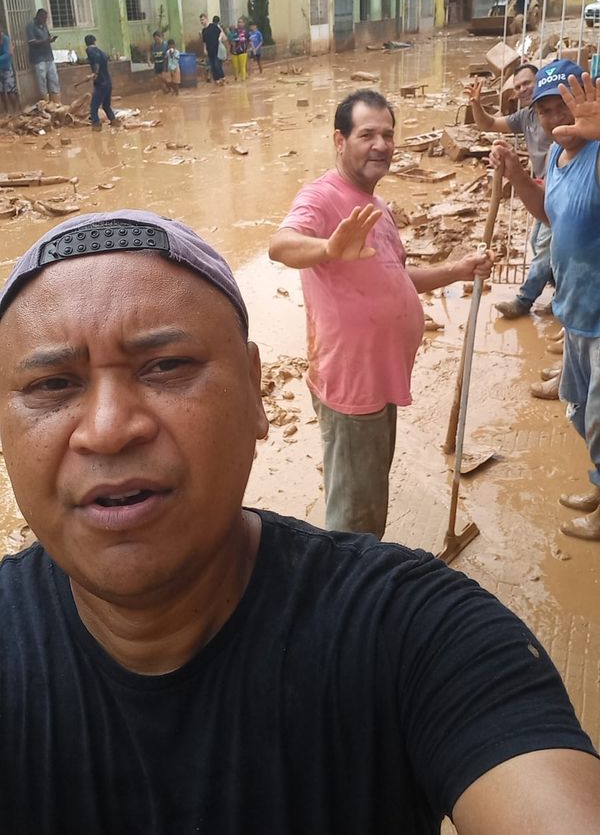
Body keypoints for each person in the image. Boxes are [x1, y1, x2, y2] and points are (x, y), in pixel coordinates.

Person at [0, 209, 598, 833]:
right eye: (52, 384)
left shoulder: (414, 634)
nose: (108, 429)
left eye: (166, 367)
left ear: (256, 391)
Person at [269, 89, 493, 538]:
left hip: (379, 379)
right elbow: (281, 245)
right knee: (354, 519)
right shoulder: (324, 195)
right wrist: (329, 247)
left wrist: (456, 269)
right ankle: (349, 597)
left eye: (388, 135)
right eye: (367, 133)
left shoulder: (377, 206)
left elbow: (396, 277)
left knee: (367, 493)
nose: (381, 145)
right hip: (351, 384)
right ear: (339, 140)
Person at [490, 60, 600, 541]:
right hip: (575, 311)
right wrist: (516, 177)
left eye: (564, 108)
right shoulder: (557, 160)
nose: (556, 120)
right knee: (577, 409)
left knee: (599, 420)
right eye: (546, 111)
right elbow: (551, 216)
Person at [467, 62, 554, 321]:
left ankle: (524, 300)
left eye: (528, 82)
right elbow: (489, 124)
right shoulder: (526, 116)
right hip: (539, 190)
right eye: (517, 87)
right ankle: (562, 294)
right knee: (539, 243)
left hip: (559, 188)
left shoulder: (555, 112)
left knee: (544, 246)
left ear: (540, 81)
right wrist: (476, 104)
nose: (523, 89)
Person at [26, 8, 61, 102]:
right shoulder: (31, 26)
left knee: (54, 78)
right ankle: (45, 102)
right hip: (38, 57)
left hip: (48, 55)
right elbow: (31, 42)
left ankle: (56, 102)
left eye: (46, 18)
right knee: (42, 80)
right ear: (38, 16)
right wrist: (46, 41)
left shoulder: (44, 25)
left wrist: (51, 39)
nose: (45, 20)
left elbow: (48, 36)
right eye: (43, 18)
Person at [84, 35, 117, 130]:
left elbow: (96, 61)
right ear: (95, 41)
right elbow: (105, 58)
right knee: (106, 105)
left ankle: (96, 126)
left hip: (100, 83)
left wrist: (94, 73)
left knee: (93, 107)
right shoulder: (103, 52)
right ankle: (114, 121)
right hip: (108, 82)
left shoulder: (90, 50)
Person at [0, 23, 19, 115]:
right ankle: (6, 111)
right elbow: (8, 54)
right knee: (1, 92)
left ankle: (15, 111)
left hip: (7, 68)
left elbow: (9, 54)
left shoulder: (6, 39)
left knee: (11, 91)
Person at [201, 14, 225, 84]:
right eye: (201, 20)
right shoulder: (203, 31)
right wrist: (205, 49)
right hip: (209, 50)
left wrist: (219, 38)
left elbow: (220, 33)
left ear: (206, 19)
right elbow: (204, 41)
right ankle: (217, 80)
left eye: (202, 20)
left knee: (217, 64)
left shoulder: (213, 26)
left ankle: (222, 77)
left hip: (216, 49)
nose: (202, 22)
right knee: (212, 65)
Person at [229, 17, 249, 81]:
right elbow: (230, 40)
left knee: (242, 66)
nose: (239, 23)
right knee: (235, 67)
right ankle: (236, 77)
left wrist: (250, 49)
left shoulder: (246, 32)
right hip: (234, 51)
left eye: (240, 22)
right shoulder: (234, 31)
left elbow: (249, 41)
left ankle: (243, 80)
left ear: (244, 23)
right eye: (238, 22)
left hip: (243, 51)